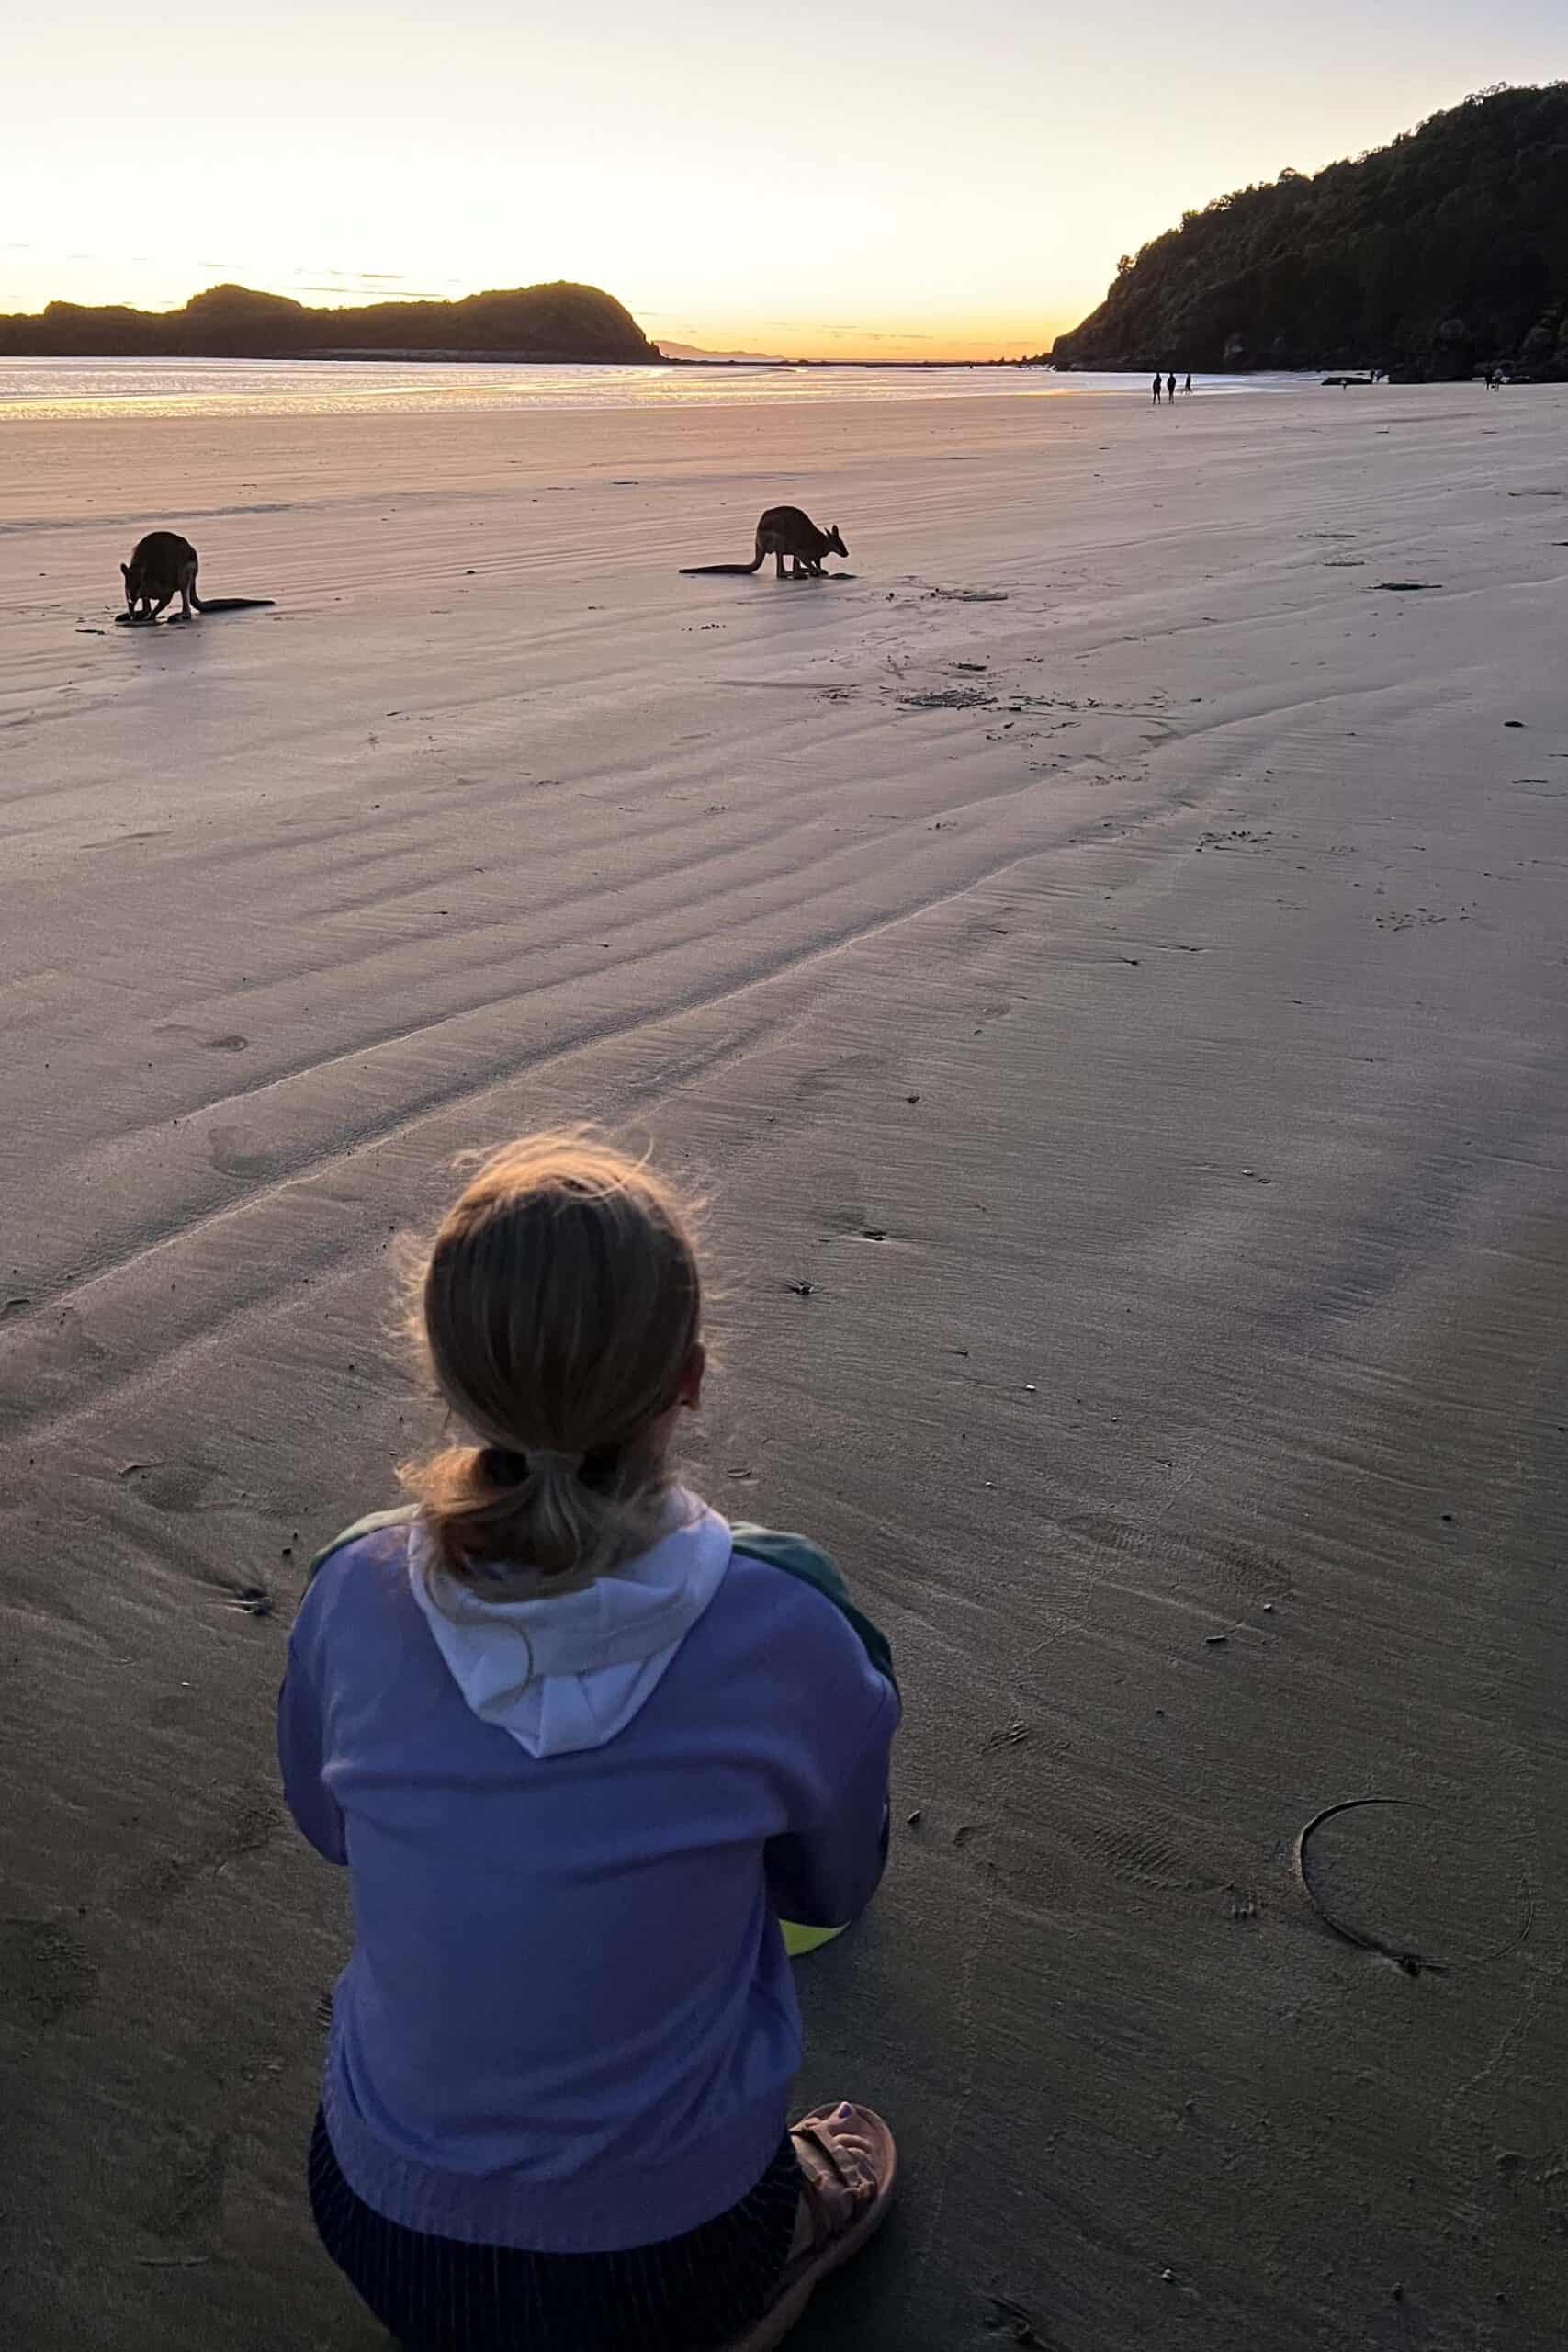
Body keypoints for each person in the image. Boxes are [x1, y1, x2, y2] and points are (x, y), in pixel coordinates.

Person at [279, 1133, 901, 2352]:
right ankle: (762, 2275)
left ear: (449, 1375)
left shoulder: (352, 1592)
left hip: (380, 2221)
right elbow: (835, 1882)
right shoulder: (786, 1617)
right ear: (690, 1377)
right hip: (670, 2257)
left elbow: (327, 1827)